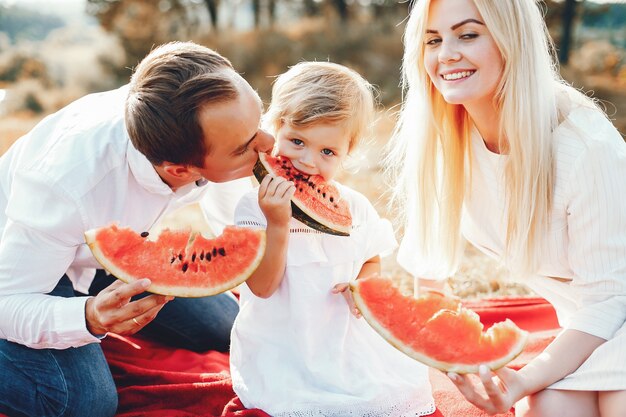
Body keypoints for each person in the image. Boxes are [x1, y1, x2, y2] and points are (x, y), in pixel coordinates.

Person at [0, 41, 274, 417]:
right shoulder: (65, 185)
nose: (269, 144)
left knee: (226, 325)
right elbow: (7, 303)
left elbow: (238, 228)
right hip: (21, 266)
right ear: (179, 169)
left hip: (92, 250)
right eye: (245, 147)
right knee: (85, 404)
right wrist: (88, 317)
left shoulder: (179, 104)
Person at [387, 0, 626, 416]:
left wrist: (526, 377)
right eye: (433, 40)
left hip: (610, 314)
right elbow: (430, 278)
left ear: (511, 41)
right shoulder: (444, 138)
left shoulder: (585, 148)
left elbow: (609, 299)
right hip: (584, 332)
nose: (446, 55)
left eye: (468, 34)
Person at [229, 61, 436, 417]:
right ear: (274, 130)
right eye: (297, 141)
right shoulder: (252, 207)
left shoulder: (355, 207)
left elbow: (371, 259)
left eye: (328, 152)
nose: (309, 162)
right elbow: (261, 288)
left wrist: (363, 286)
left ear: (346, 153)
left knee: (381, 395)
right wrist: (277, 225)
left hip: (344, 344)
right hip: (283, 348)